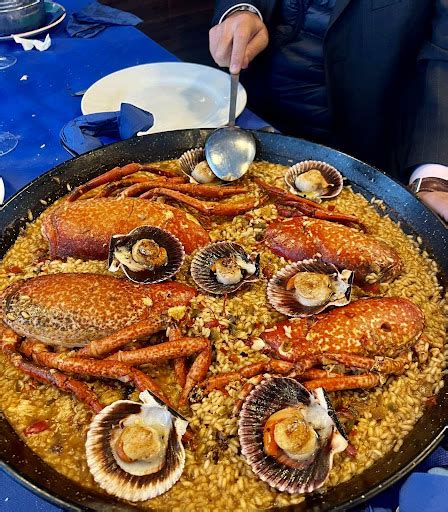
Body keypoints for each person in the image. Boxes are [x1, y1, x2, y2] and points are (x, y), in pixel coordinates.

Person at [209, 1, 448, 222]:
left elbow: (443, 54)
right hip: (252, 108)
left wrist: (433, 177)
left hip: (364, 139)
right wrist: (240, 9)